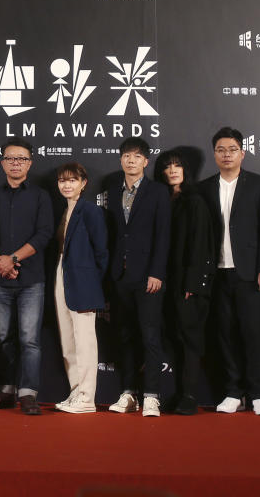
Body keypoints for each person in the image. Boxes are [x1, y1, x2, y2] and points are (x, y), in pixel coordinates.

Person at [200, 126, 260, 416]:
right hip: (217, 275)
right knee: (225, 334)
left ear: (242, 153)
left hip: (251, 274)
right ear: (214, 154)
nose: (226, 154)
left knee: (255, 334)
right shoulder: (205, 187)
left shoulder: (258, 184)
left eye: (232, 149)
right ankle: (233, 391)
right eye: (220, 150)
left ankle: (259, 393)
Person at [0, 140, 53, 416]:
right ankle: (7, 389)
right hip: (1, 278)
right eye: (10, 159)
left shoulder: (40, 196)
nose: (15, 163)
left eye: (21, 159)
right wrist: (0, 261)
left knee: (30, 339)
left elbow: (44, 234)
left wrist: (14, 259)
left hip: (31, 278)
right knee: (3, 337)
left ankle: (28, 394)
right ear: (2, 163)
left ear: (30, 163)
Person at [106, 137, 171, 417]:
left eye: (136, 156)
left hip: (148, 277)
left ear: (146, 161)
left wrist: (157, 272)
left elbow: (163, 235)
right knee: (124, 336)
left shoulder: (158, 192)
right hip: (120, 276)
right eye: (126, 156)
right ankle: (128, 392)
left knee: (150, 336)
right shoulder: (111, 190)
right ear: (121, 160)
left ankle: (152, 395)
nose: (130, 160)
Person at [153, 149, 215, 415]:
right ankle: (178, 393)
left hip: (188, 283)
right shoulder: (160, 200)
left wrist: (192, 284)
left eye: (177, 165)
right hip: (164, 281)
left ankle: (190, 395)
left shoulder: (195, 201)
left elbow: (201, 245)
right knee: (173, 339)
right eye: (167, 166)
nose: (172, 170)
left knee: (190, 339)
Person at [53, 163, 108, 414]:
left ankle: (87, 397)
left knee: (85, 340)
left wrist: (94, 282)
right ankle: (76, 390)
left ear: (83, 183)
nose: (67, 185)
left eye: (72, 180)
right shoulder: (63, 211)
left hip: (84, 280)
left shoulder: (91, 211)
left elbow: (102, 252)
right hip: (61, 274)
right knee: (68, 339)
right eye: (63, 181)